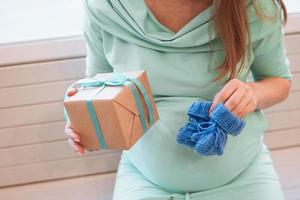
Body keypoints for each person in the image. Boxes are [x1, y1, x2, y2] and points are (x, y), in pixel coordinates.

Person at [64, 0, 293, 199]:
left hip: (243, 179)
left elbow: (279, 81)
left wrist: (253, 93)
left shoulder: (255, 6)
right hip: (145, 181)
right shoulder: (105, 7)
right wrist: (85, 124)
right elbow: (97, 84)